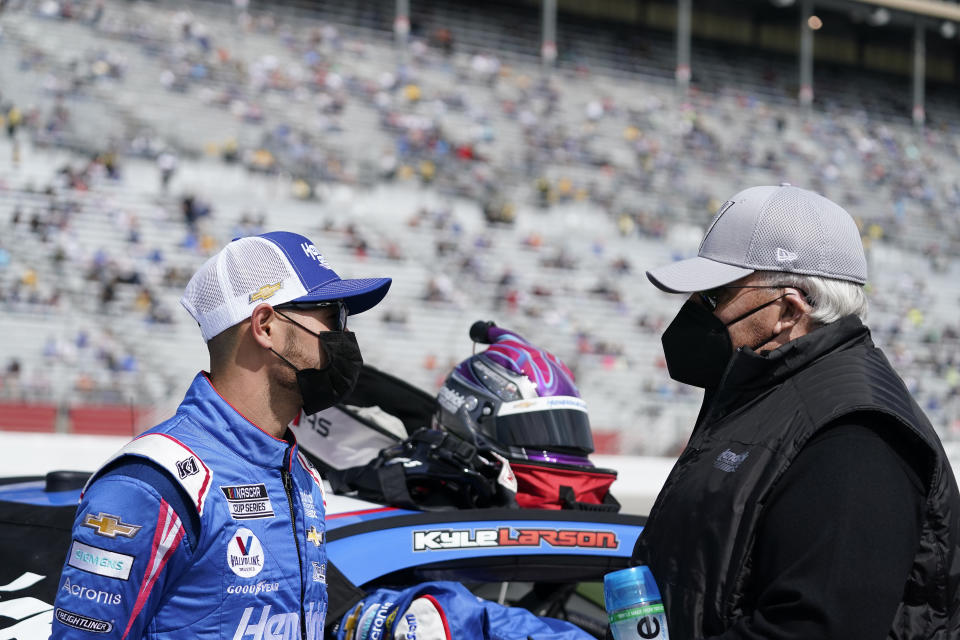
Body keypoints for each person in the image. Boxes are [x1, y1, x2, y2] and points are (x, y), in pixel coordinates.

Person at [634, 185, 960, 638]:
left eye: (713, 295)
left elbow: (811, 627)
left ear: (788, 309)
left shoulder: (856, 436)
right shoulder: (769, 395)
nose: (692, 309)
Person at [51, 231, 391, 639]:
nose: (343, 336)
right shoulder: (152, 485)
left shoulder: (301, 474)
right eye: (331, 315)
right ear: (265, 326)